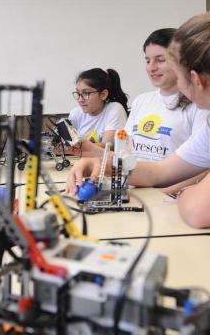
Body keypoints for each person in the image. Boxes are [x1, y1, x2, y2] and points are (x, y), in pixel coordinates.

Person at [66, 12, 210, 229]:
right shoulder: (145, 101)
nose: (151, 67)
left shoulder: (198, 113)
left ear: (196, 80)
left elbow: (198, 211)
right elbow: (159, 171)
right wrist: (103, 164)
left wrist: (189, 191)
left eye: (164, 62)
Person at [125, 28, 207, 162]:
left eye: (160, 60)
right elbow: (127, 147)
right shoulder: (141, 100)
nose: (151, 68)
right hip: (137, 180)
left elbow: (202, 165)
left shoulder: (199, 104)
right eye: (147, 61)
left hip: (174, 182)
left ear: (181, 61)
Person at [68, 68, 128, 147]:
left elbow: (107, 147)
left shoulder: (115, 109)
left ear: (103, 94)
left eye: (86, 93)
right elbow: (66, 144)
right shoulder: (76, 113)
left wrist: (74, 148)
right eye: (78, 93)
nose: (80, 99)